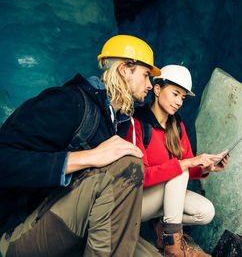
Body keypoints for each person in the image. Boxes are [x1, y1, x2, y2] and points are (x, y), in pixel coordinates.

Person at [0, 35, 161, 257]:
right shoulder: (69, 102)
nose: (150, 85)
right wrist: (89, 157)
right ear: (124, 69)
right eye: (145, 75)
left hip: (72, 226)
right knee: (128, 165)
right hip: (20, 233)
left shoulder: (115, 122)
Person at [125, 65, 230, 257]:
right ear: (157, 90)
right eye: (175, 94)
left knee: (206, 212)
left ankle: (162, 229)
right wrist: (185, 164)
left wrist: (208, 168)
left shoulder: (176, 124)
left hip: (161, 199)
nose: (179, 101)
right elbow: (141, 177)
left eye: (182, 97)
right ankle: (173, 246)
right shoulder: (136, 122)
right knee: (179, 169)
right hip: (134, 203)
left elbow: (189, 164)